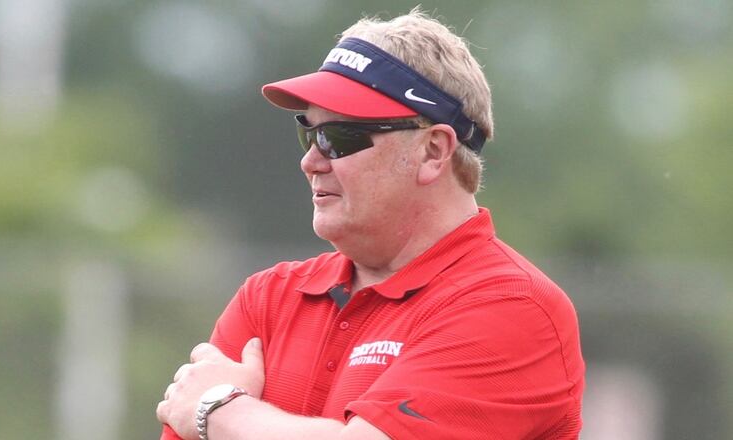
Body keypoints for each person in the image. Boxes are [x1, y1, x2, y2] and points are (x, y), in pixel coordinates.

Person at [156, 8, 585, 440]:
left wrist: (220, 410)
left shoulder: (514, 306)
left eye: (339, 137)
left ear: (434, 151)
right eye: (309, 132)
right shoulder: (268, 298)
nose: (311, 161)